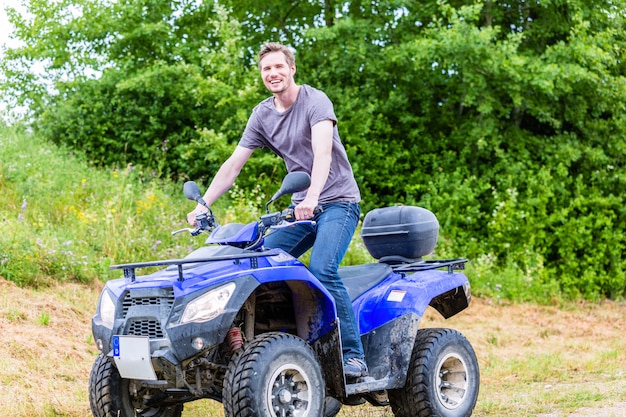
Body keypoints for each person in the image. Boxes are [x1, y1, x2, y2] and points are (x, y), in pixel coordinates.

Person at [186, 42, 368, 380]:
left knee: (323, 269)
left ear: (292, 69)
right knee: (256, 264)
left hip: (338, 202)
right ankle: (279, 345)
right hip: (301, 208)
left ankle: (352, 355)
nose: (273, 73)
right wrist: (204, 203)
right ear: (261, 74)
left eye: (278, 67)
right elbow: (233, 165)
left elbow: (323, 154)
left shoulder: (315, 101)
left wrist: (312, 197)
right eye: (266, 69)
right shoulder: (262, 115)